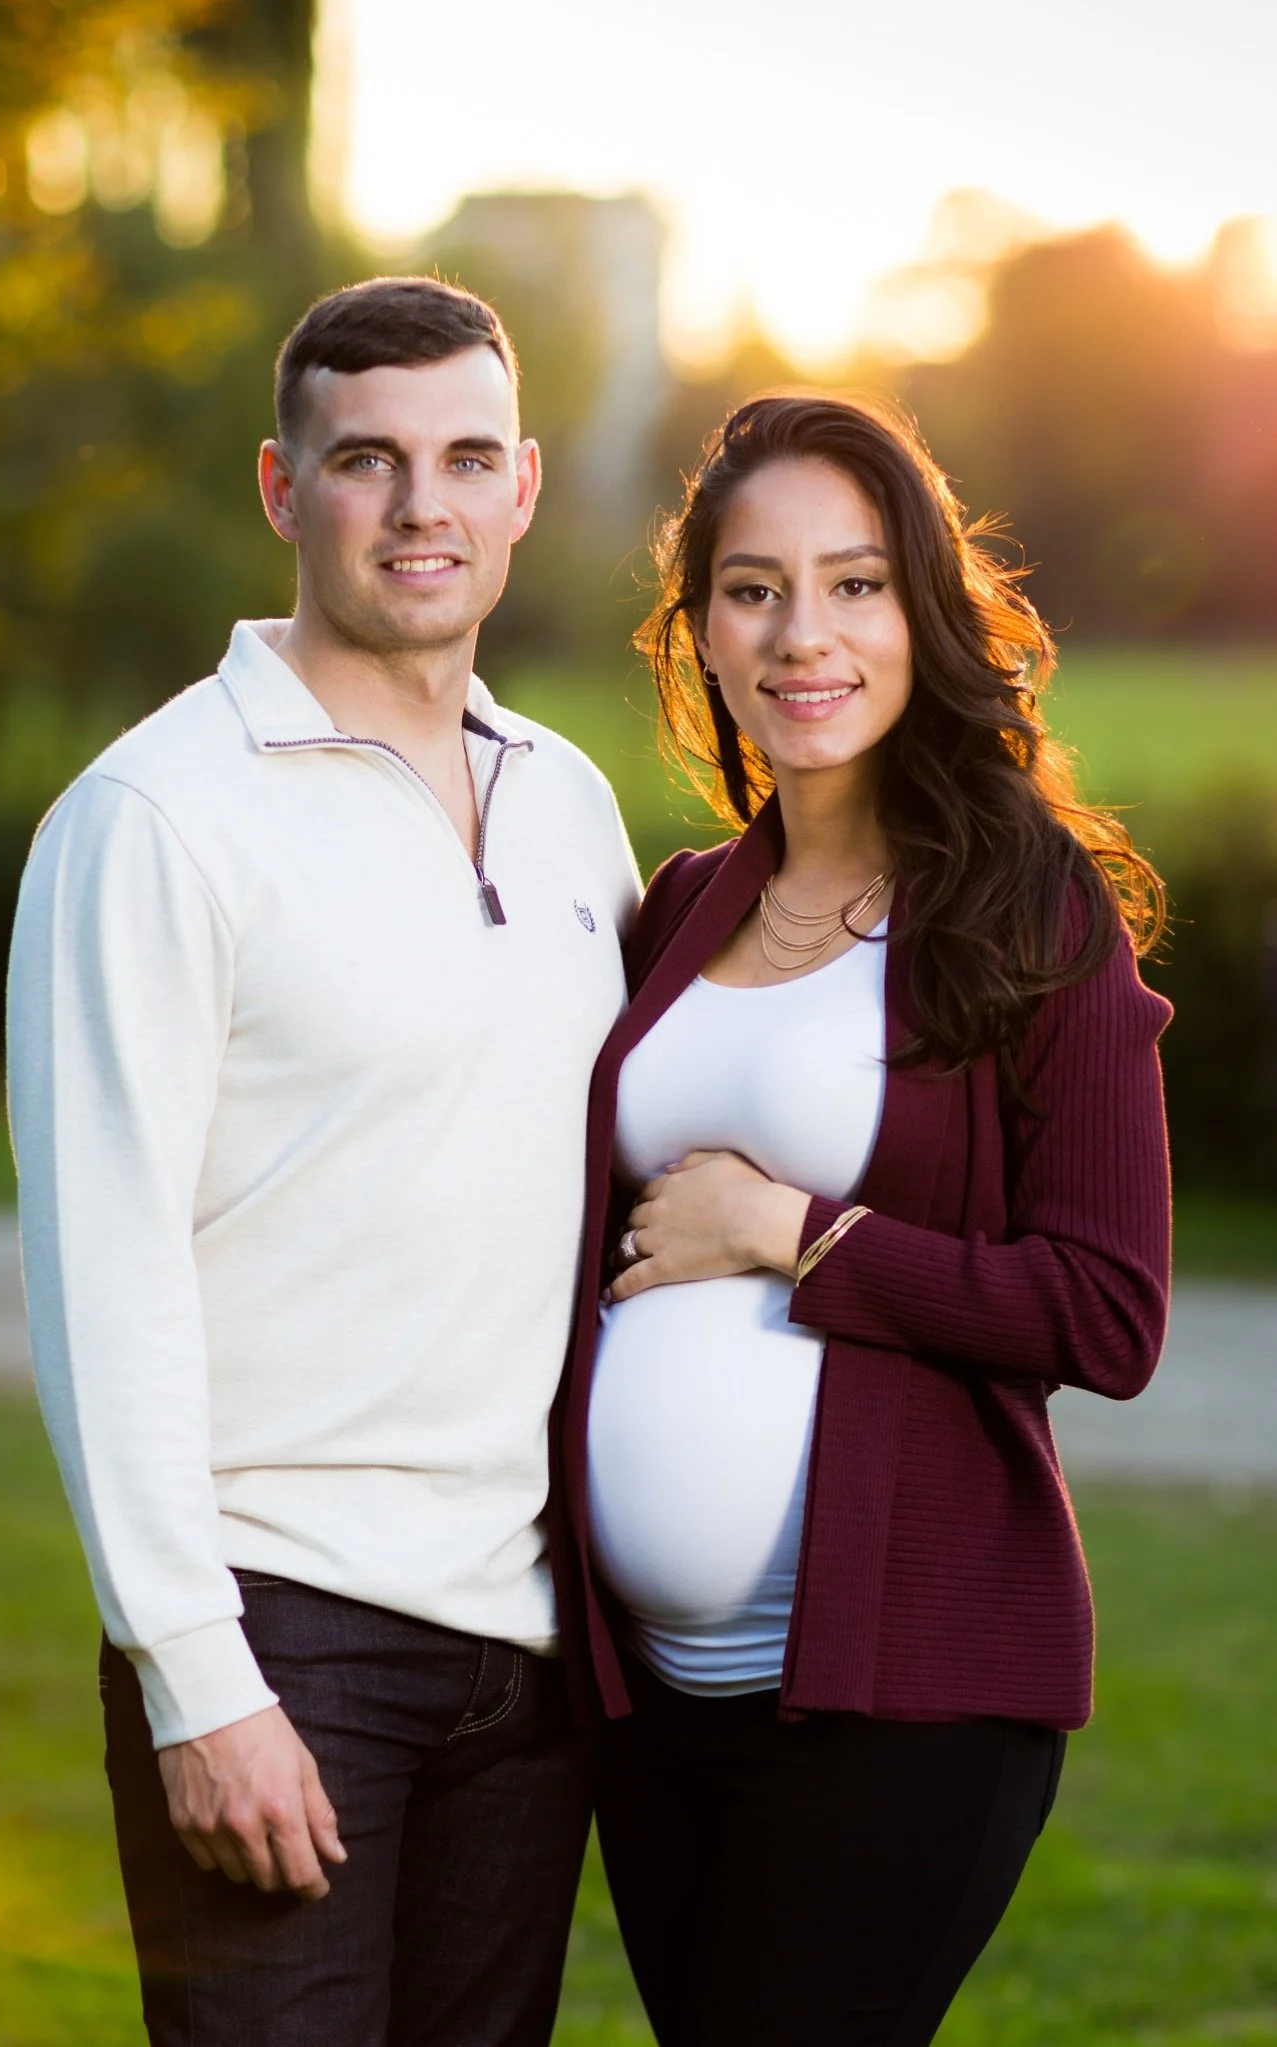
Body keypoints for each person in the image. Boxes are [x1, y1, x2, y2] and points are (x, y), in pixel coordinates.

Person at [6, 275, 641, 2047]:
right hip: (283, 1631)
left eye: (463, 458)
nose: (421, 504)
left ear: (523, 488)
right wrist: (197, 1679)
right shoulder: (155, 821)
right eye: (368, 460)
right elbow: (102, 1273)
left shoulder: (570, 798)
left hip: (529, 1641)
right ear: (286, 492)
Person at [548, 394, 1171, 2046]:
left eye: (856, 582)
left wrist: (794, 1235)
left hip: (909, 1692)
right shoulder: (684, 905)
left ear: (924, 613)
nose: (802, 633)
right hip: (660, 1706)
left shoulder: (1027, 907)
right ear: (702, 630)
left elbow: (1106, 1312)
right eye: (753, 588)